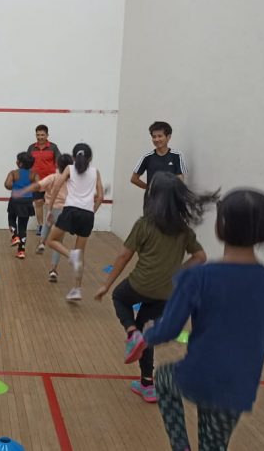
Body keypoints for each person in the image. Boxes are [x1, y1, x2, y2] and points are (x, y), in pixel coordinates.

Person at [141, 189, 264, 451]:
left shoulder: (198, 277)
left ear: (221, 227)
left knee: (164, 377)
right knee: (214, 445)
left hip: (197, 376)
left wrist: (150, 332)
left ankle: (180, 445)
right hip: (238, 387)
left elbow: (168, 331)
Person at [93, 172, 215, 402]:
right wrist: (178, 273)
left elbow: (123, 256)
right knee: (145, 333)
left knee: (119, 297)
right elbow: (201, 257)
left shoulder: (144, 224)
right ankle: (147, 385)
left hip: (141, 284)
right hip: (167, 292)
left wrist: (106, 285)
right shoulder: (183, 229)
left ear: (153, 196)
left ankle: (132, 333)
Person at [44, 143, 104, 301]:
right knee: (80, 252)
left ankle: (70, 255)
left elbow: (56, 187)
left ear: (73, 157)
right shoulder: (95, 172)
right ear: (90, 158)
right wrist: (92, 211)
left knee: (51, 240)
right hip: (87, 215)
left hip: (71, 211)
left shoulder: (69, 169)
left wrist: (49, 209)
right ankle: (77, 289)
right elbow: (100, 197)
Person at [15, 153, 74, 279]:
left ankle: (42, 242)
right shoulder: (73, 181)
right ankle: (53, 270)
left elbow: (39, 187)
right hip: (66, 212)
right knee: (58, 242)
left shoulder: (53, 177)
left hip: (52, 209)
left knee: (47, 224)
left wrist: (24, 190)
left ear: (57, 165)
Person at [131, 121, 187, 191]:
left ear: (168, 137)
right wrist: (149, 189)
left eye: (160, 136)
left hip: (171, 197)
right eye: (154, 137)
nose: (156, 139)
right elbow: (134, 179)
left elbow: (180, 180)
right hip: (152, 197)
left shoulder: (177, 155)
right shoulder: (147, 157)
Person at [27, 124, 61, 235]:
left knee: (51, 204)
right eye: (38, 135)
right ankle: (40, 226)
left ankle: (50, 226)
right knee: (38, 202)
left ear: (47, 135)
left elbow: (59, 162)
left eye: (42, 135)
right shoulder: (31, 148)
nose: (40, 137)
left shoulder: (53, 147)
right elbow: (27, 163)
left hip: (51, 182)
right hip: (37, 182)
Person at [4, 152, 39, 259]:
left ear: (20, 163)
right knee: (23, 227)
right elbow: (38, 186)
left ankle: (15, 236)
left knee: (11, 219)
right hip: (27, 202)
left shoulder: (13, 173)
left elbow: (7, 184)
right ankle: (21, 251)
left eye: (17, 160)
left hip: (15, 200)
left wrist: (15, 186)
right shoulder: (34, 175)